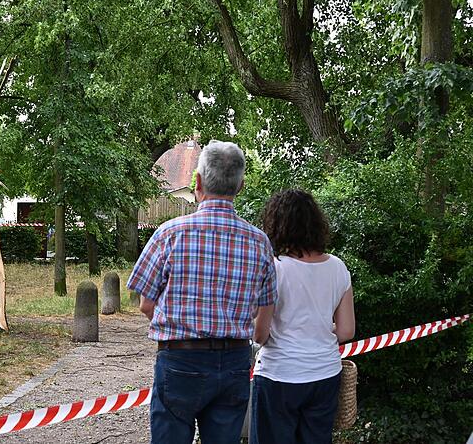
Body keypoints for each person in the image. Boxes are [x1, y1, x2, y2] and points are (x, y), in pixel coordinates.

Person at [127, 139, 277, 444]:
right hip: (234, 360)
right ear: (241, 186)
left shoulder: (169, 234)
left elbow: (146, 304)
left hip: (179, 360)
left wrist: (180, 328)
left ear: (197, 182)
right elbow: (265, 314)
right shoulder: (260, 242)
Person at [250, 189, 356, 444]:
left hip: (279, 374)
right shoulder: (338, 267)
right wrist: (316, 327)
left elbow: (260, 335)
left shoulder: (274, 268)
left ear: (276, 225)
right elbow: (346, 331)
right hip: (325, 374)